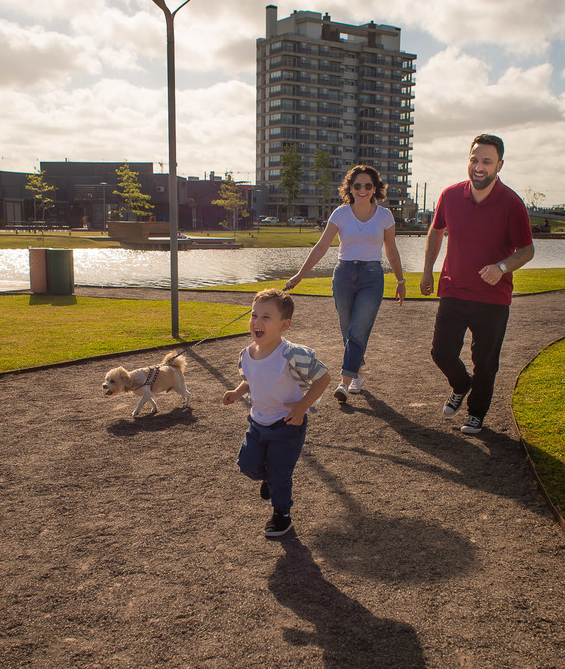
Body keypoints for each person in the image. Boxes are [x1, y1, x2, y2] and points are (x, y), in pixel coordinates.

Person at [420, 134, 534, 435]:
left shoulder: (511, 203)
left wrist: (501, 267)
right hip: (453, 288)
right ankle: (461, 384)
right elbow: (436, 231)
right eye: (474, 160)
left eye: (486, 161)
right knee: (441, 352)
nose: (479, 166)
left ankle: (476, 413)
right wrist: (428, 271)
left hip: (493, 296)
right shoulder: (450, 195)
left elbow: (526, 250)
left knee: (485, 361)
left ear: (499, 165)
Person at [284, 165, 405, 403]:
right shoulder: (340, 214)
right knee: (348, 329)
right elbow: (321, 246)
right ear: (350, 188)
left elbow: (391, 251)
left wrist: (400, 281)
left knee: (358, 330)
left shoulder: (385, 216)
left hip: (372, 277)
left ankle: (344, 382)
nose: (362, 189)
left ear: (375, 189)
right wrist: (299, 275)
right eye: (357, 185)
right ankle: (356, 372)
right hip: (344, 275)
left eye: (368, 185)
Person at [223, 288, 331, 537]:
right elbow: (250, 378)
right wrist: (237, 392)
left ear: (285, 325)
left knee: (280, 475)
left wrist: (302, 405)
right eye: (254, 315)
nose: (257, 322)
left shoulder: (292, 354)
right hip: (258, 423)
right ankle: (269, 479)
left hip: (288, 425)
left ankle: (282, 515)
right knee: (247, 466)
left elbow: (323, 378)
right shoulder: (247, 354)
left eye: (266, 317)